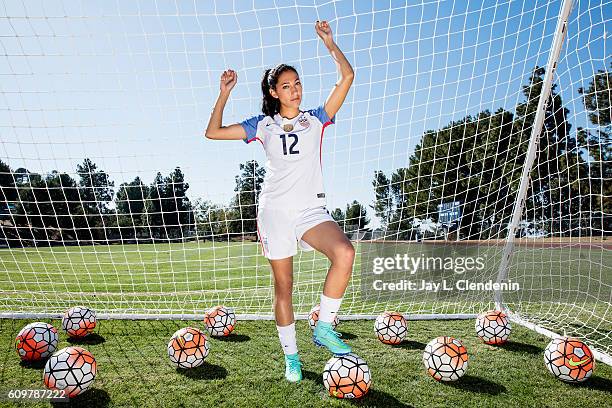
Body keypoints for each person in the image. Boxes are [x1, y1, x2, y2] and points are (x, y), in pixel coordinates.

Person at [205, 20, 354, 383]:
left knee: (345, 253)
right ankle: (292, 359)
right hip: (274, 212)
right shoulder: (262, 125)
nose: (295, 90)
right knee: (283, 288)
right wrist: (224, 91)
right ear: (274, 92)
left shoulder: (317, 119)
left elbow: (347, 76)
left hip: (310, 210)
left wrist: (330, 45)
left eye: (297, 83)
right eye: (286, 86)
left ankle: (324, 326)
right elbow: (213, 132)